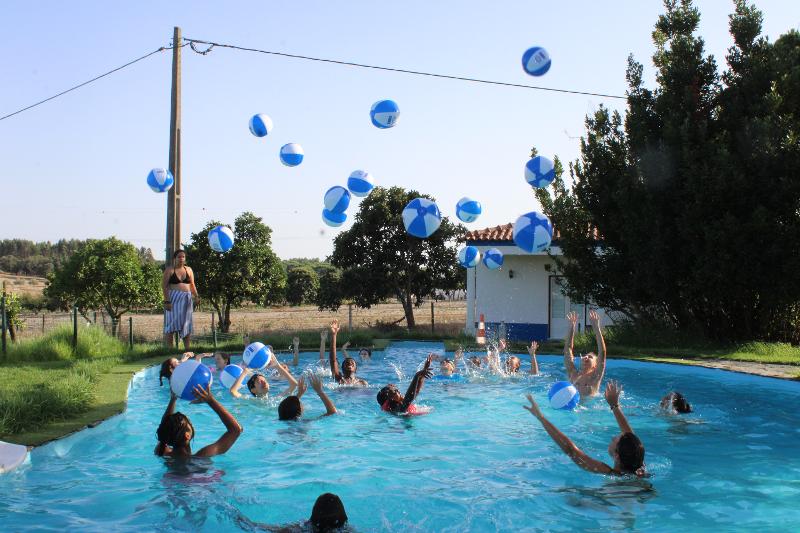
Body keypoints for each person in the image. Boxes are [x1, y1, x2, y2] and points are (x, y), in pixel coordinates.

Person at [523, 380, 646, 476]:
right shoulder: (640, 468)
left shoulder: (610, 473)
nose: (613, 437)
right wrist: (614, 405)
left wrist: (541, 417)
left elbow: (570, 450)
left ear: (617, 456)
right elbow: (631, 439)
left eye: (615, 440)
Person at [154, 385, 242, 458]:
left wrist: (173, 399)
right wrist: (211, 400)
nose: (192, 424)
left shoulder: (162, 453)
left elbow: (164, 429)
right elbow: (236, 430)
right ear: (187, 435)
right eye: (189, 423)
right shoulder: (201, 458)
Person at [237, 492, 349, 533]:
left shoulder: (299, 528)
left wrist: (239, 518)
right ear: (343, 516)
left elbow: (261, 528)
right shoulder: (348, 531)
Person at [563, 310, 607, 398]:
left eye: (590, 357)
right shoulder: (573, 374)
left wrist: (596, 328)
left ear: (595, 365)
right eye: (584, 356)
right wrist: (572, 327)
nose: (585, 357)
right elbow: (567, 350)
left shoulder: (595, 376)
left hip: (589, 410)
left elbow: (602, 352)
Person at [162, 250, 199, 350]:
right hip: (173, 299)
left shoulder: (189, 270)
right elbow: (164, 286)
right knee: (171, 325)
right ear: (175, 258)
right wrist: (167, 301)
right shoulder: (169, 270)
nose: (181, 258)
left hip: (187, 299)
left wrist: (196, 296)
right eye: (179, 257)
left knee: (186, 324)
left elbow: (192, 285)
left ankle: (188, 350)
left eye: (183, 257)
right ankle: (170, 350)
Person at [229, 356, 299, 399]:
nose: (264, 382)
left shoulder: (276, 399)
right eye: (259, 381)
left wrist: (277, 366)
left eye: (264, 380)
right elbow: (233, 391)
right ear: (253, 390)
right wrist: (245, 372)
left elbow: (294, 385)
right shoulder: (250, 400)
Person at [329, 320, 367, 386]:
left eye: (352, 363)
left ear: (356, 369)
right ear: (342, 369)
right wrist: (334, 335)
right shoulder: (339, 379)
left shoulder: (362, 383)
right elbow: (333, 360)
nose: (349, 362)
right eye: (347, 363)